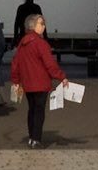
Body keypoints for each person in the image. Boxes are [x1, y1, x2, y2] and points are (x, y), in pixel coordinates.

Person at [8, 11, 65, 149]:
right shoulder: (41, 44)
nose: (44, 26)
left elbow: (16, 64)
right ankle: (36, 139)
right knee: (39, 111)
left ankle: (31, 137)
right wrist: (61, 77)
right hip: (41, 83)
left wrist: (16, 80)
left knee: (31, 110)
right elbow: (50, 64)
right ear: (33, 26)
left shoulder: (23, 44)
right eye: (41, 23)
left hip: (28, 84)